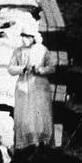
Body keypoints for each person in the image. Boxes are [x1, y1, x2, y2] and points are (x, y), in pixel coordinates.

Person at [8, 22, 54, 152]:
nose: (24, 39)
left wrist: (40, 70)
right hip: (23, 86)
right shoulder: (18, 51)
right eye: (23, 35)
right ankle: (27, 145)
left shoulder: (42, 50)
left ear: (33, 37)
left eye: (27, 36)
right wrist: (22, 68)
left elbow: (51, 68)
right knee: (24, 117)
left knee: (39, 116)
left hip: (39, 86)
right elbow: (10, 69)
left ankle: (41, 145)